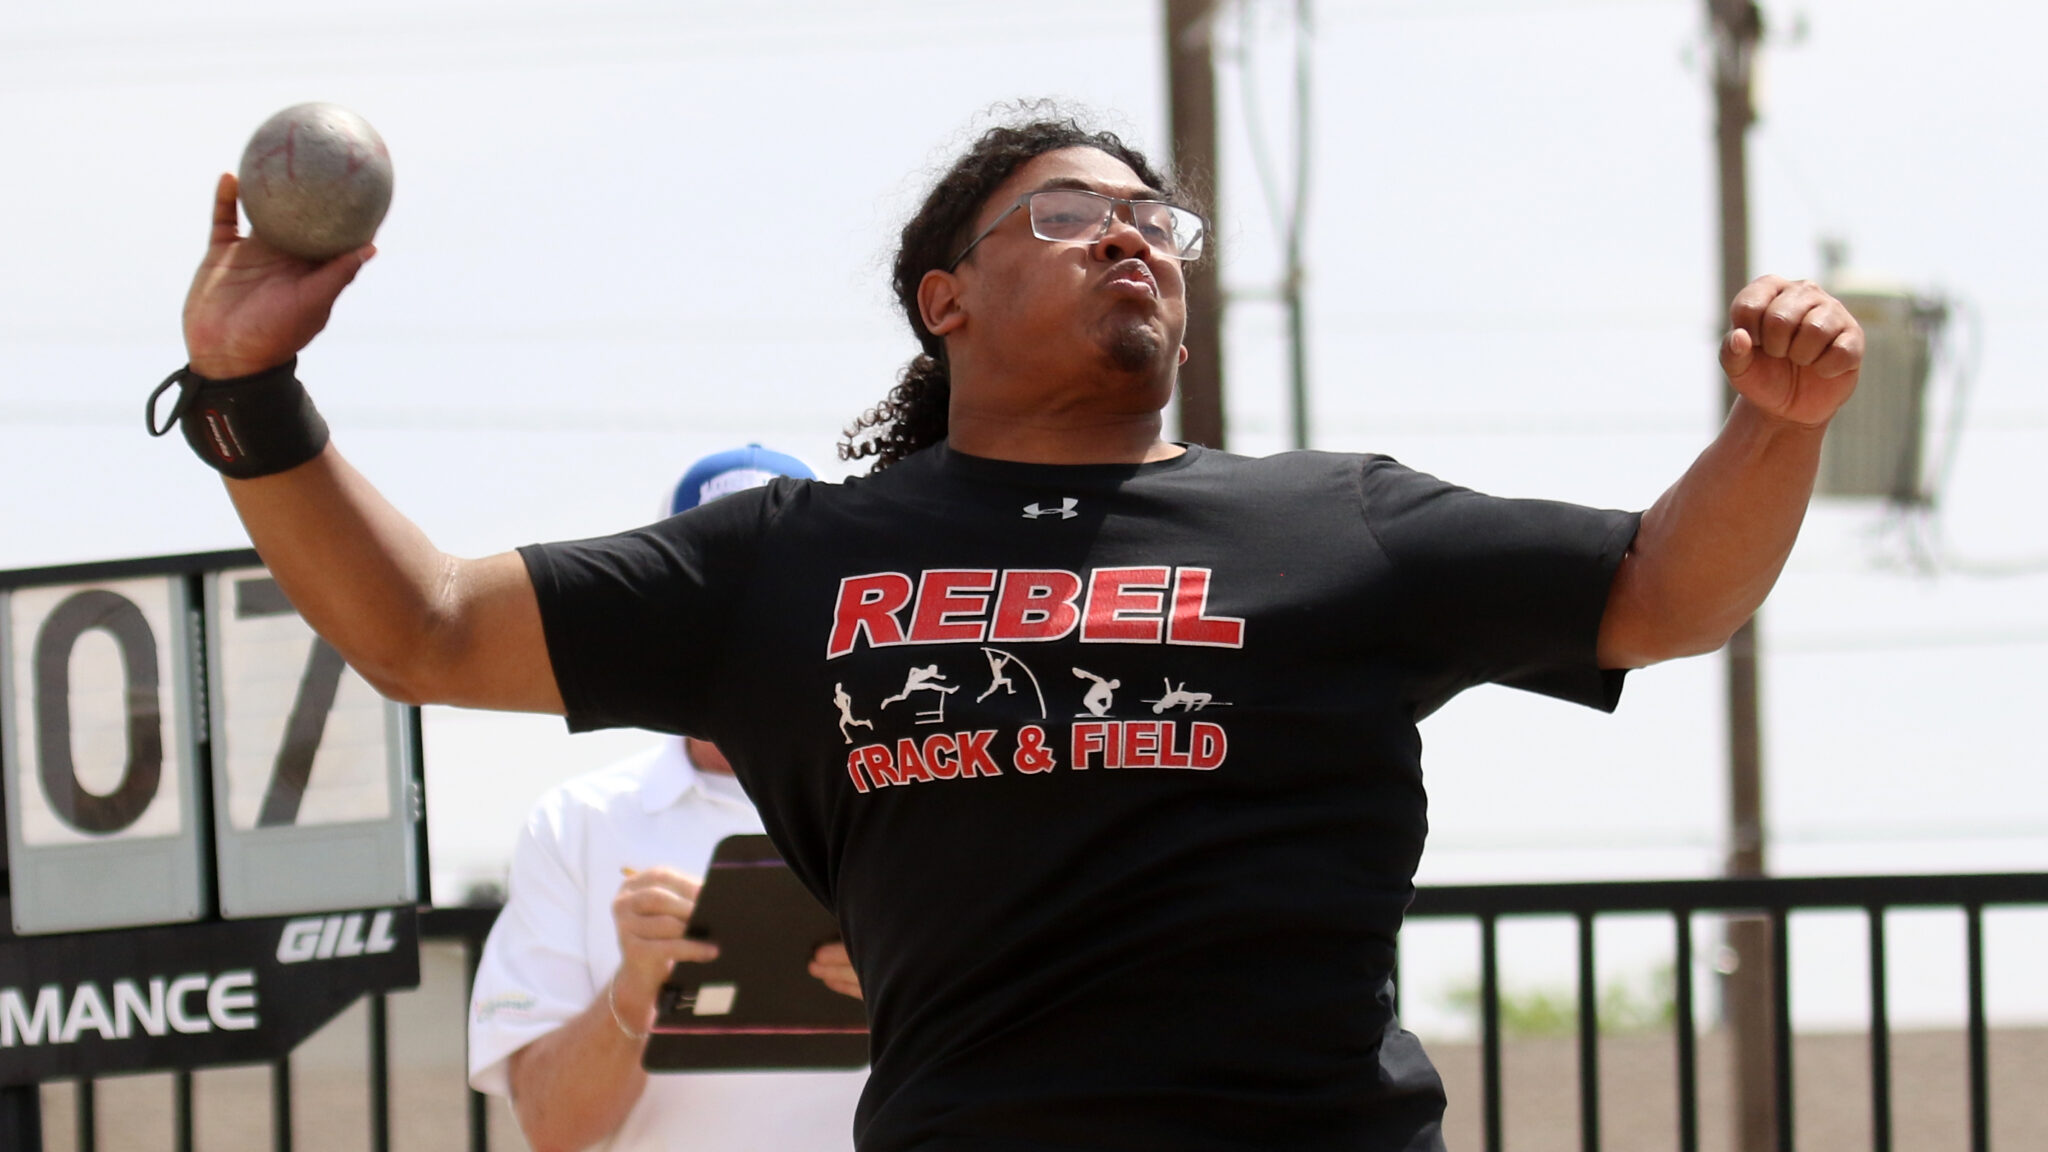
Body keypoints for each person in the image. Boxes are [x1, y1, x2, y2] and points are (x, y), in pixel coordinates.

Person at [163, 110, 1861, 1151]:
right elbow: (428, 627)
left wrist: (1776, 428)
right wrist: (249, 389)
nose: (1129, 234)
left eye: (1154, 223)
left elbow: (1663, 589)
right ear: (944, 295)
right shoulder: (792, 562)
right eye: (1064, 213)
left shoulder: (1334, 521)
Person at [465, 446, 869, 1152]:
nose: (742, 621)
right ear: (661, 609)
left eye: (778, 591)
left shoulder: (915, 791)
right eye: (710, 587)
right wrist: (635, 990)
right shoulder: (578, 824)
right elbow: (553, 1129)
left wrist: (907, 992)